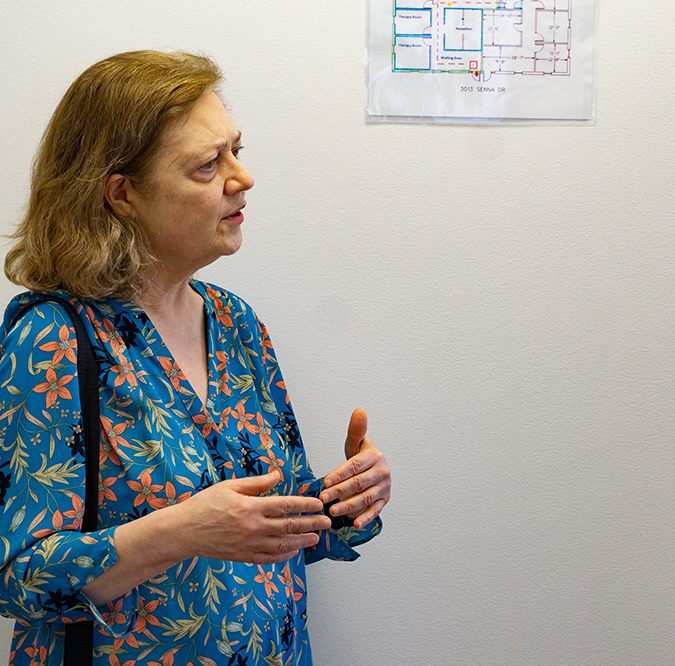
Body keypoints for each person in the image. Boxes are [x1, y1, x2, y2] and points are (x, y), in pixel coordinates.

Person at [0, 51, 391, 665]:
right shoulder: (52, 337)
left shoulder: (236, 323)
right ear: (122, 194)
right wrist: (181, 531)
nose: (242, 178)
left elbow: (268, 530)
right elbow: (19, 576)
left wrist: (344, 502)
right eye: (208, 165)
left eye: (236, 150)